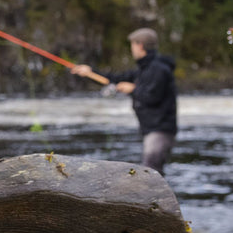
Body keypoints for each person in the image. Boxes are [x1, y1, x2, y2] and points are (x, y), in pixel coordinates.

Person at [71, 28, 178, 174]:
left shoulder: (159, 69)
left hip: (160, 130)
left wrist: (133, 90)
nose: (131, 49)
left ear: (140, 45)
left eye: (132, 45)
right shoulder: (144, 69)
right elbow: (115, 79)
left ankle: (154, 197)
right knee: (151, 171)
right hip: (152, 129)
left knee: (151, 172)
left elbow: (152, 97)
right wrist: (90, 73)